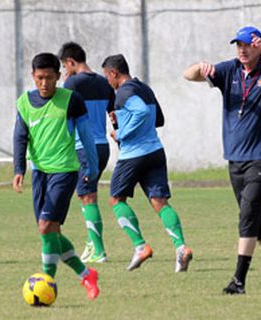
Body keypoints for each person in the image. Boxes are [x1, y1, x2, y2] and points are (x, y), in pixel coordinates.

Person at [183, 26, 261, 294]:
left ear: (258, 47)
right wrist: (201, 68)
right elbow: (187, 76)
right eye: (238, 45)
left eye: (247, 45)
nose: (242, 50)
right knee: (257, 219)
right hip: (235, 157)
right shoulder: (230, 69)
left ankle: (238, 280)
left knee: (247, 215)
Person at [12, 52, 100, 300]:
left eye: (49, 78)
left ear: (58, 77)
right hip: (39, 173)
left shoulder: (72, 100)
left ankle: (46, 281)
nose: (44, 83)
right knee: (50, 233)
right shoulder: (24, 103)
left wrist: (91, 168)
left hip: (65, 170)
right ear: (33, 76)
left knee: (45, 225)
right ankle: (86, 275)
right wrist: (19, 169)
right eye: (39, 78)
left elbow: (87, 136)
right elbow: (20, 137)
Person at [101, 54, 193, 273]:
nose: (108, 82)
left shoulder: (123, 91)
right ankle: (181, 248)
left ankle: (140, 246)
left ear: (114, 73)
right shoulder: (145, 88)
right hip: (155, 151)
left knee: (116, 200)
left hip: (133, 155)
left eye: (107, 76)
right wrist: (123, 118)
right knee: (160, 202)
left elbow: (141, 112)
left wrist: (121, 132)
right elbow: (158, 119)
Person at [58, 42, 116, 264]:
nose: (65, 71)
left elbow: (65, 114)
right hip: (102, 146)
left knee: (87, 196)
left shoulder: (72, 83)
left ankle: (99, 251)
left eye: (65, 66)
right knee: (88, 193)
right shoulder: (103, 82)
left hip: (84, 146)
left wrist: (64, 87)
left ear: (72, 62)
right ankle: (92, 243)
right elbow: (112, 111)